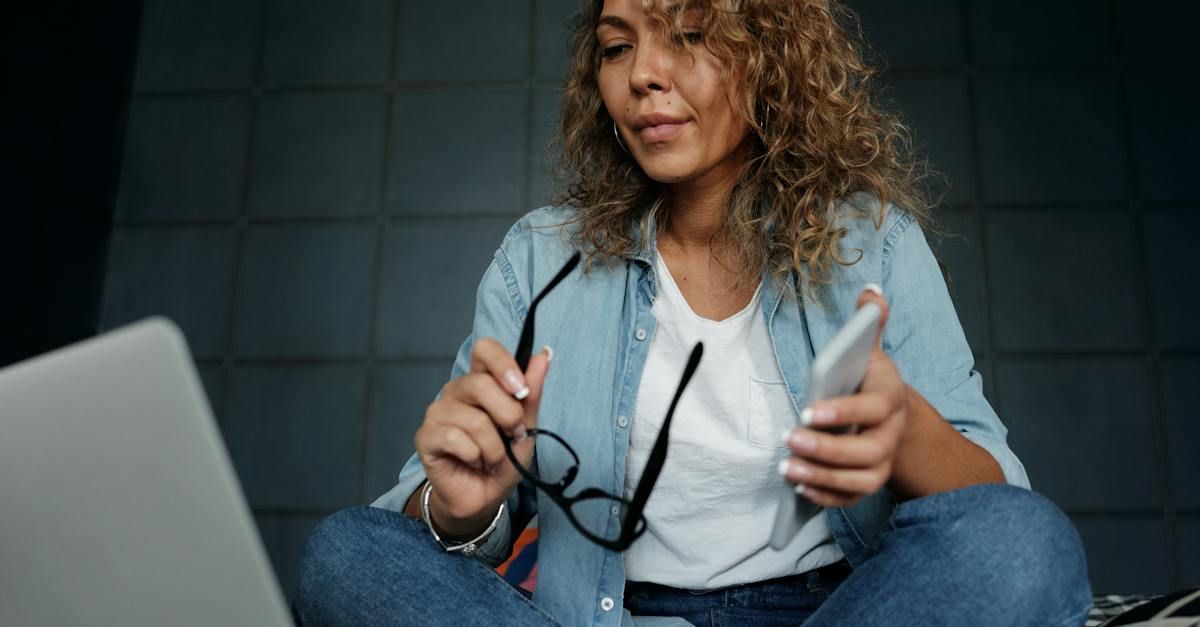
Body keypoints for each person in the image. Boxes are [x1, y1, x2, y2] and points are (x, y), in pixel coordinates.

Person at [294, 0, 1092, 624]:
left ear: (769, 55)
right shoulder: (538, 259)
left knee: (1026, 545)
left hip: (840, 610)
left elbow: (998, 500)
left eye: (690, 34)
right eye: (617, 47)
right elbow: (434, 519)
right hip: (619, 617)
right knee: (344, 556)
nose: (643, 73)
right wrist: (463, 508)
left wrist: (904, 428)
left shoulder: (871, 241)